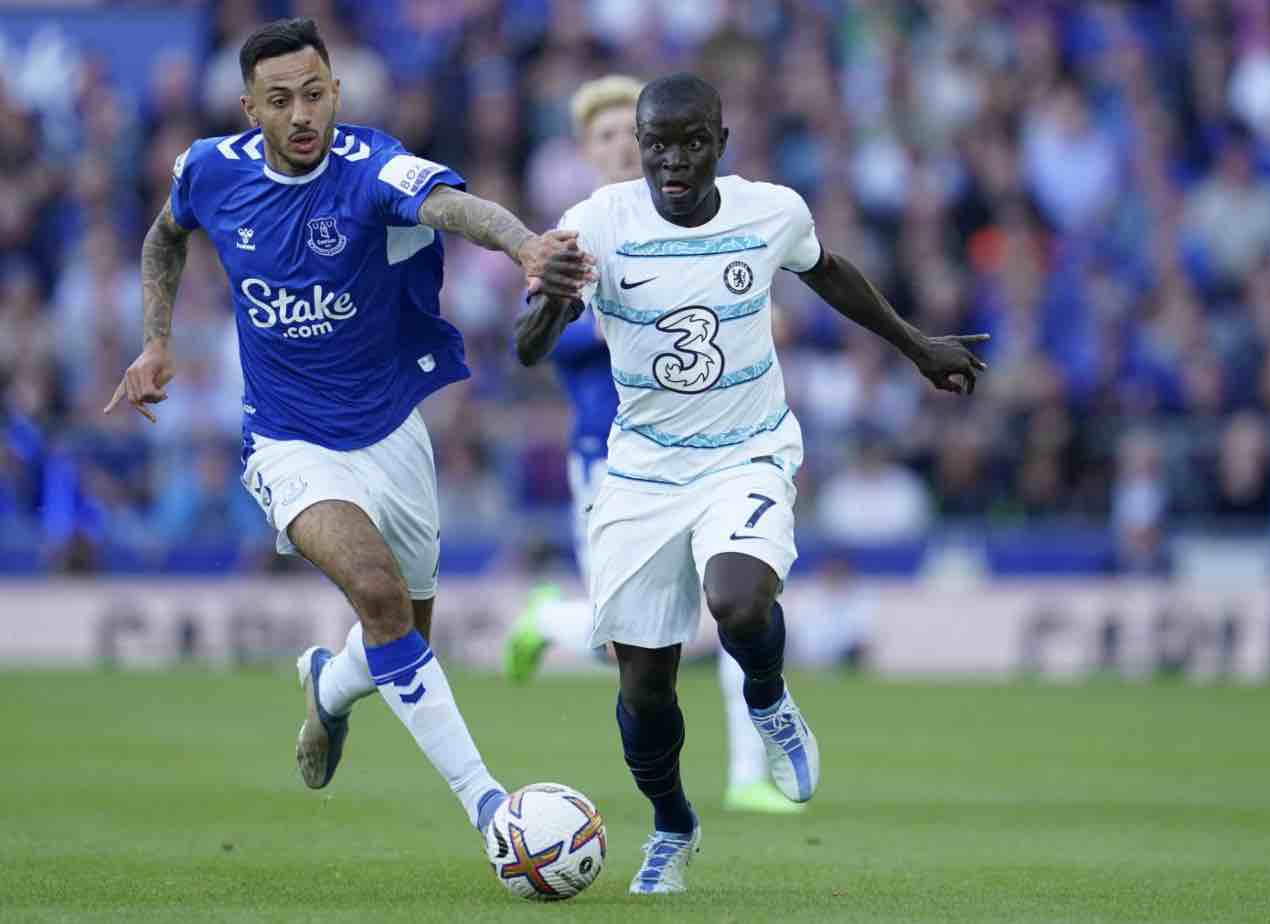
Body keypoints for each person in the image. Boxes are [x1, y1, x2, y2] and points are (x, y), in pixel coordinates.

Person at [104, 18, 593, 836]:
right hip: (288, 439)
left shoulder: (371, 165)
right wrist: (156, 339)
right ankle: (491, 812)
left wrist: (525, 249)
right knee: (376, 593)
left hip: (393, 432)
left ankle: (329, 688)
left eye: (315, 94)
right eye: (280, 100)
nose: (302, 115)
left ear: (336, 90)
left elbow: (453, 207)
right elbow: (164, 236)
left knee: (402, 631)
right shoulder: (209, 169)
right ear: (249, 108)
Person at [515, 73, 987, 894]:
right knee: (645, 688)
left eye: (691, 143)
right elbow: (527, 348)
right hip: (642, 470)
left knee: (737, 601)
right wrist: (552, 301)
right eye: (657, 144)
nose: (672, 161)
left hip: (748, 451)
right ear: (641, 145)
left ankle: (768, 699)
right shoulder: (596, 224)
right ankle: (672, 825)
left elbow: (828, 272)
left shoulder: (770, 211)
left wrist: (917, 347)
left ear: (721, 143)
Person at [503, 75, 802, 816]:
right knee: (632, 645)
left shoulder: (701, 222)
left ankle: (748, 771)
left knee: (736, 597)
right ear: (593, 150)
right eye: (606, 137)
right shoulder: (586, 236)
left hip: (717, 452)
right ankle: (549, 621)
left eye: (626, 133)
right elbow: (544, 341)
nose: (620, 148)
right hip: (613, 459)